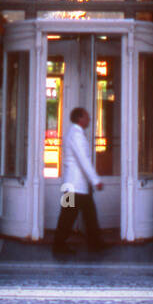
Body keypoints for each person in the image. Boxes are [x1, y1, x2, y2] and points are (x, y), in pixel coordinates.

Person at [52, 106, 105, 257]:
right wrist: (95, 180)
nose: (89, 119)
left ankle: (95, 243)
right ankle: (59, 245)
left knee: (87, 214)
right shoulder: (76, 135)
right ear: (79, 118)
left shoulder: (73, 133)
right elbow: (83, 161)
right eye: (87, 116)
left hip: (74, 185)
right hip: (75, 186)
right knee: (69, 216)